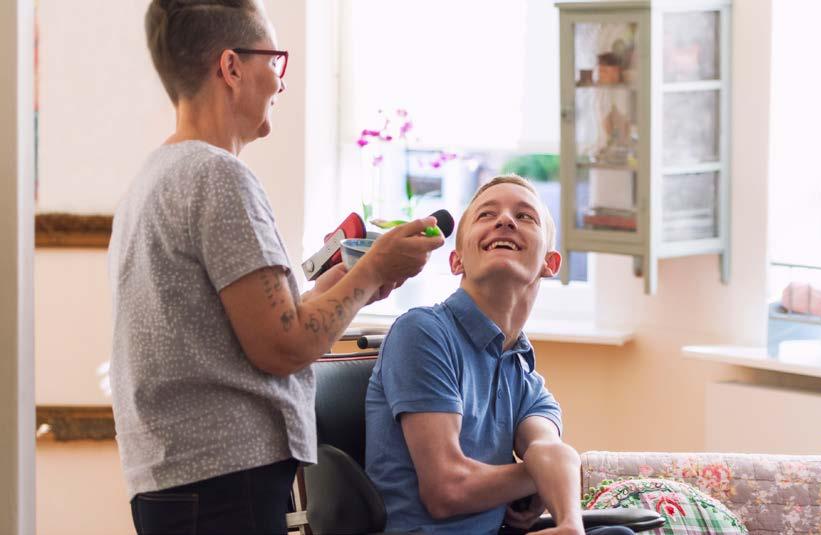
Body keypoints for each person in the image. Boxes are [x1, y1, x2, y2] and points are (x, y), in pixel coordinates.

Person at [108, 1, 444, 534]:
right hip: (222, 482)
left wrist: (354, 279)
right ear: (232, 67)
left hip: (179, 479)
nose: (280, 83)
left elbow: (258, 329)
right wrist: (372, 268)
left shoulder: (154, 178)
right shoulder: (219, 178)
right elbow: (284, 346)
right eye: (275, 60)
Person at [365, 175, 634, 535]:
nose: (505, 220)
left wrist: (569, 522)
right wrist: (538, 477)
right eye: (486, 215)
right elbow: (446, 490)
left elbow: (551, 450)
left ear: (549, 264)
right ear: (457, 261)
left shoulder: (525, 377)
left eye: (525, 217)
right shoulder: (422, 332)